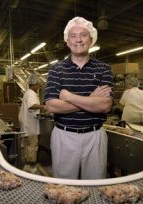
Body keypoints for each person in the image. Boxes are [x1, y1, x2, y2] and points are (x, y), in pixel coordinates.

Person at [43, 16, 114, 180]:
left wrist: (68, 96)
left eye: (83, 35)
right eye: (73, 36)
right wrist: (91, 99)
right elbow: (52, 106)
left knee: (96, 183)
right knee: (64, 185)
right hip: (64, 136)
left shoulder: (103, 68)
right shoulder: (56, 70)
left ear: (91, 39)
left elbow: (105, 106)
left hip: (95, 136)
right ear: (67, 41)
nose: (78, 40)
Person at [18, 73, 45, 173]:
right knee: (33, 146)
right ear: (34, 84)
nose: (39, 87)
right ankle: (32, 167)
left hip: (26, 124)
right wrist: (44, 107)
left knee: (27, 145)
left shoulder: (27, 92)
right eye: (38, 85)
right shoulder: (31, 93)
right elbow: (32, 105)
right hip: (30, 125)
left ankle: (27, 165)